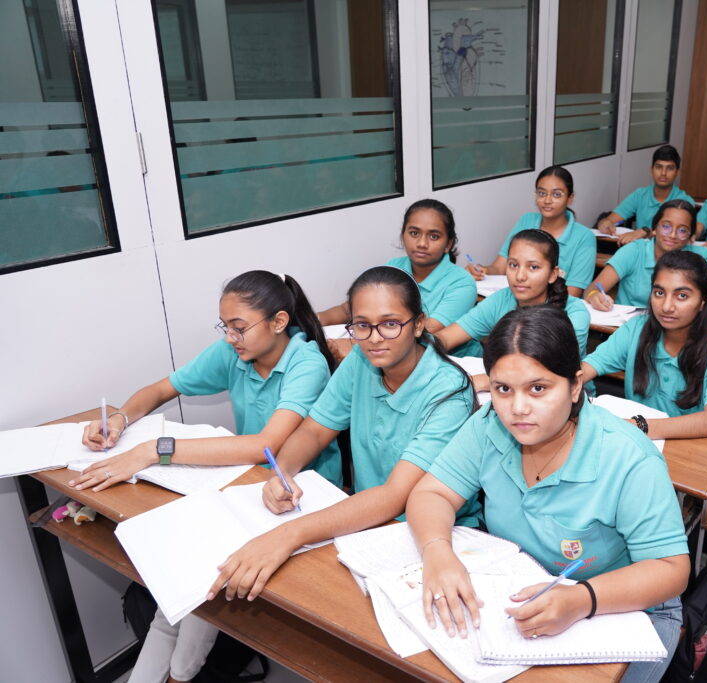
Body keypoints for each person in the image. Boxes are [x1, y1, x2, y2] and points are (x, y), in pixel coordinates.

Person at [69, 270, 340, 683]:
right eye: (225, 327)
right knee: (177, 593)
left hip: (295, 497)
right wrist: (121, 419)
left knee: (200, 583)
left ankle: (181, 676)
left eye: (238, 327)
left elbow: (262, 445)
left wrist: (153, 452)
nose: (231, 338)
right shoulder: (235, 352)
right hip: (243, 489)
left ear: (279, 322)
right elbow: (162, 389)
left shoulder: (307, 364)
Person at [407, 306, 689, 683]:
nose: (517, 409)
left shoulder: (629, 458)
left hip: (627, 609)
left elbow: (671, 569)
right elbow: (432, 493)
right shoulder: (489, 424)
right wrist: (437, 551)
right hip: (524, 587)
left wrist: (582, 600)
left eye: (538, 388)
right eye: (503, 389)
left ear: (575, 386)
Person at [208, 265, 480, 605]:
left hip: (436, 535)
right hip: (366, 521)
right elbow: (315, 429)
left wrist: (290, 535)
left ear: (419, 324)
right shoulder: (361, 363)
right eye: (362, 326)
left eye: (391, 324)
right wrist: (284, 472)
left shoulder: (448, 391)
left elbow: (395, 495)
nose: (375, 338)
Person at [582, 251, 707, 439]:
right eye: (659, 293)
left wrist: (636, 426)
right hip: (637, 444)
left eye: (681, 296)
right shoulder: (637, 328)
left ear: (702, 302)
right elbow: (586, 368)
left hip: (691, 450)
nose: (666, 306)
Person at [319, 199, 476, 359]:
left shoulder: (462, 283)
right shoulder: (394, 267)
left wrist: (352, 343)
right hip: (392, 353)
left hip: (449, 361)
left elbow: (423, 331)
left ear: (449, 244)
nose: (422, 243)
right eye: (414, 233)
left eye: (434, 236)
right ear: (403, 235)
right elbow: (349, 310)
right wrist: (314, 320)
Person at [439, 229, 590, 359]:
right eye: (513, 265)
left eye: (533, 267)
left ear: (552, 274)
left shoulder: (575, 313)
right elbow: (446, 338)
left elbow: (550, 372)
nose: (520, 276)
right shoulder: (502, 299)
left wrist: (485, 380)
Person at [466, 166, 596, 297]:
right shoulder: (526, 221)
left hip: (552, 309)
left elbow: (572, 293)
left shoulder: (584, 237)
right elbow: (500, 267)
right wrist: (483, 270)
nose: (547, 200)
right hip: (518, 297)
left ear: (570, 198)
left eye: (557, 194)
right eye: (541, 193)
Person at [584, 199, 707, 310]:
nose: (672, 235)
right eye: (666, 226)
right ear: (654, 229)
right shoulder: (634, 251)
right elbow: (594, 287)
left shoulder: (701, 256)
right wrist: (594, 295)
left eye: (682, 230)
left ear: (691, 236)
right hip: (627, 327)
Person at [595, 144, 696, 246]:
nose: (663, 173)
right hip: (641, 250)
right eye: (658, 167)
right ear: (651, 170)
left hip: (669, 254)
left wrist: (645, 232)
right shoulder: (640, 195)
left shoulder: (685, 201)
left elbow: (679, 235)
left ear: (677, 172)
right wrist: (604, 223)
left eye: (669, 168)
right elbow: (611, 219)